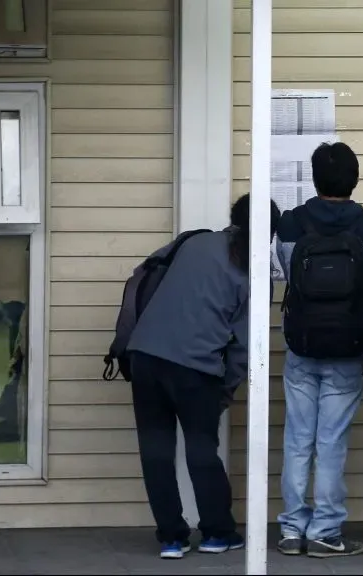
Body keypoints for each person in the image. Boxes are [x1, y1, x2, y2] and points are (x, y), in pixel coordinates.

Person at [126, 194, 280, 559]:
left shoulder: (193, 241)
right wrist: (225, 390)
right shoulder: (255, 268)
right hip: (194, 367)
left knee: (156, 449)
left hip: (144, 353)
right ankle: (216, 533)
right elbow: (246, 345)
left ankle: (171, 539)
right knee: (200, 448)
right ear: (271, 232)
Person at [274, 142, 363, 558]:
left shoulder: (290, 224)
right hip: (347, 345)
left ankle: (291, 530)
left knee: (297, 438)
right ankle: (325, 530)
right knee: (331, 440)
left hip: (301, 343)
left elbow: (288, 273)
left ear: (314, 177)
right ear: (354, 179)